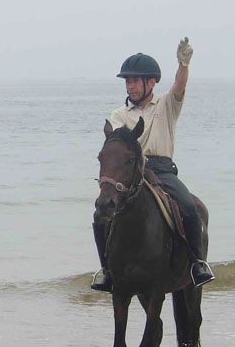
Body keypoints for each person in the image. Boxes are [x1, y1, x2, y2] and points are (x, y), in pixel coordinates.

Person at [91, 37, 215, 292]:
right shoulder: (119, 115)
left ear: (151, 82)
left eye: (135, 81)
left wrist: (183, 64)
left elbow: (180, 86)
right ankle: (107, 270)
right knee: (100, 215)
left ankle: (197, 264)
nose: (130, 86)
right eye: (127, 81)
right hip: (131, 172)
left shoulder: (166, 104)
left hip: (162, 170)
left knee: (190, 208)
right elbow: (117, 147)